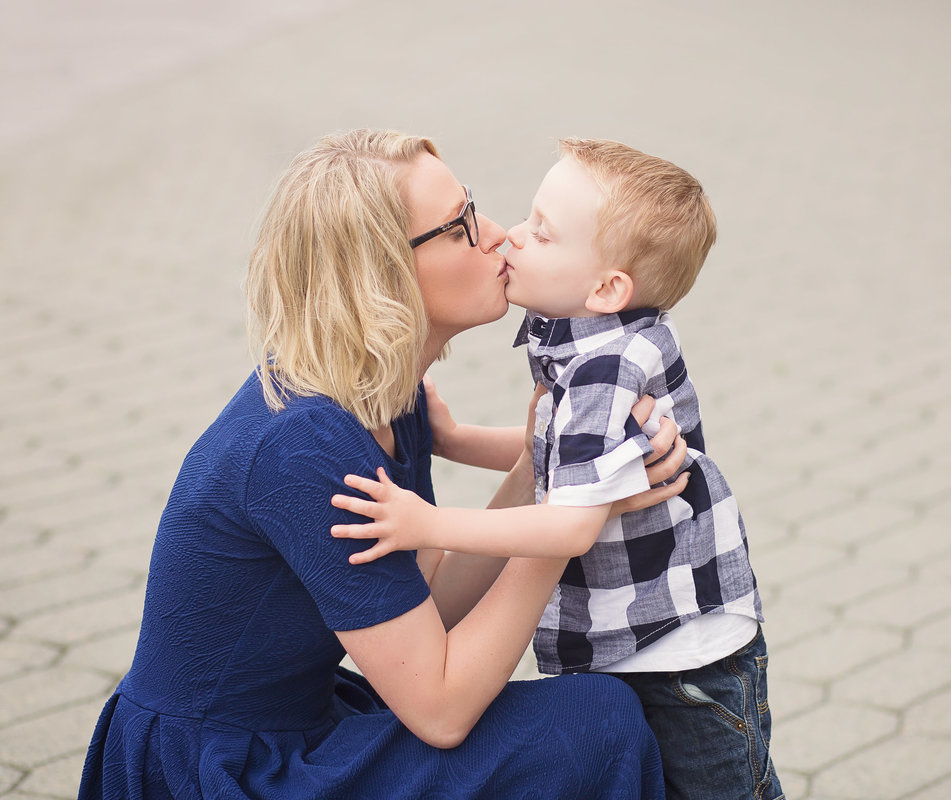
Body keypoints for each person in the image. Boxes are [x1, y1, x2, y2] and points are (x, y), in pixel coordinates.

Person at [77, 130, 689, 799]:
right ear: (382, 276)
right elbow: (443, 713)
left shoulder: (386, 397)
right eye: (458, 228)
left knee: (591, 712)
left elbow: (431, 607)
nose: (496, 234)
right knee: (595, 724)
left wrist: (549, 472)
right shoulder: (305, 445)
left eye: (473, 207)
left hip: (292, 725)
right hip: (221, 767)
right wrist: (574, 517)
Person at [331, 138, 782, 799]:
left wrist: (428, 523)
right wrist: (455, 440)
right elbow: (555, 451)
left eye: (541, 234)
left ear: (606, 287)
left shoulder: (606, 369)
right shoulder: (588, 332)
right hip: (648, 639)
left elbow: (568, 528)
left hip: (681, 658)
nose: (510, 237)